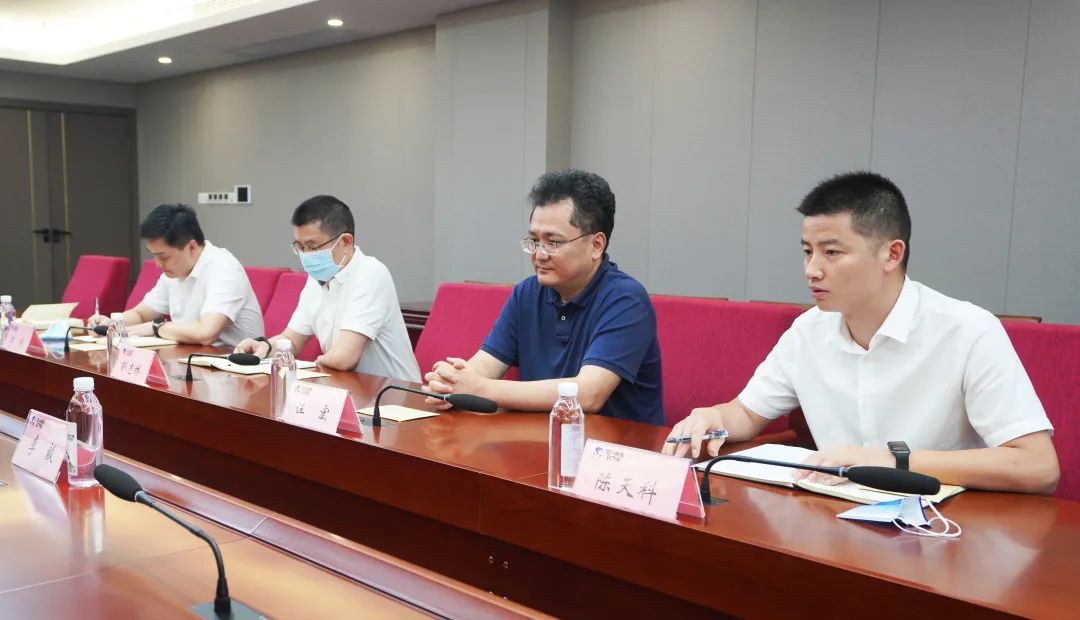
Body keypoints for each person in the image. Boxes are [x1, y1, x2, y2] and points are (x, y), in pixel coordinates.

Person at [664, 171, 1059, 494]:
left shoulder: (967, 331)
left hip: (943, 526)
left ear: (892, 254)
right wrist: (713, 415)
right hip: (835, 517)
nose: (812, 270)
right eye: (807, 251)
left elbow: (1038, 466)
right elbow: (748, 413)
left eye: (831, 252)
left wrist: (891, 461)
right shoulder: (808, 332)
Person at [424, 169, 663, 424]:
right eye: (534, 241)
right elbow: (483, 367)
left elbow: (589, 394)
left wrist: (479, 388)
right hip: (539, 438)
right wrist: (450, 384)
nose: (539, 254)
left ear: (596, 245)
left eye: (554, 242)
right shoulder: (527, 294)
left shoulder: (626, 299)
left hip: (613, 445)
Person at [234, 195, 420, 381]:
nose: (305, 256)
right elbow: (293, 340)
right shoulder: (317, 278)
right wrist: (265, 347)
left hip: (395, 393)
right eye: (300, 247)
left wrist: (306, 370)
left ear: (345, 242)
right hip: (347, 386)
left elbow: (344, 358)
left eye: (313, 247)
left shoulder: (370, 273)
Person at [87, 204, 263, 348]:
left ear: (191, 247)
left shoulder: (224, 268)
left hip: (237, 370)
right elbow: (141, 314)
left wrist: (157, 327)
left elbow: (206, 333)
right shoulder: (174, 272)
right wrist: (113, 323)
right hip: (190, 361)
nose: (157, 263)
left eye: (163, 256)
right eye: (153, 255)